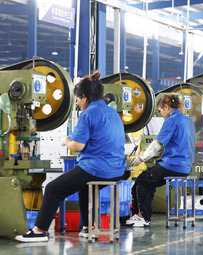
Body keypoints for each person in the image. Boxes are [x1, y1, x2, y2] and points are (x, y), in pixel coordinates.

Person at [15, 71, 126, 242]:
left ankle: (39, 231)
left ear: (84, 97)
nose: (78, 103)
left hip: (97, 168)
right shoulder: (113, 114)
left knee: (53, 189)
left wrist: (66, 140)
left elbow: (77, 146)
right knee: (84, 188)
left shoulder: (88, 113)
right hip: (117, 169)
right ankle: (88, 227)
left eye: (78, 100)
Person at [127, 94, 195, 227]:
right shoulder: (187, 121)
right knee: (149, 180)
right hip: (185, 167)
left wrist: (141, 158)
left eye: (161, 111)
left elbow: (156, 146)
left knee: (141, 182)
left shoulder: (171, 120)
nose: (161, 114)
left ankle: (142, 217)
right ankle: (142, 216)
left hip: (173, 165)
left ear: (166, 107)